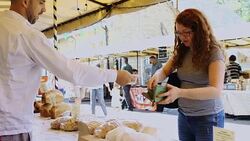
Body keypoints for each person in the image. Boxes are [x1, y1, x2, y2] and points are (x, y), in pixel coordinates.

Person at [0, 0, 133, 140]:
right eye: (40, 2)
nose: (44, 9)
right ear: (25, 2)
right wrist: (115, 75)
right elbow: (71, 71)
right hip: (10, 127)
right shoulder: (26, 34)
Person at [148, 8, 225, 141]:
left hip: (208, 118)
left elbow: (216, 91)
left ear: (200, 30)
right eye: (179, 33)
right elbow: (165, 70)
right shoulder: (182, 50)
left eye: (187, 32)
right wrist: (156, 76)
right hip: (184, 115)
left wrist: (179, 93)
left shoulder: (213, 52)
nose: (183, 37)